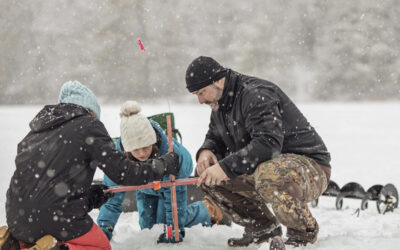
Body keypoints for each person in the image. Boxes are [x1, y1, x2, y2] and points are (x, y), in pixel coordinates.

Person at [1, 81, 179, 250]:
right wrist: (163, 164)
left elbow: (44, 190)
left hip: (18, 219)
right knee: (99, 246)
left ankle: (20, 245)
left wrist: (90, 198)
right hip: (54, 219)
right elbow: (125, 173)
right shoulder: (88, 125)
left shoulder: (35, 133)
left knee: (40, 231)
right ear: (91, 111)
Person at [185, 56, 331, 247]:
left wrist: (226, 167)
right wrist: (206, 151)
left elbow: (269, 144)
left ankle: (302, 233)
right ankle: (261, 227)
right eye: (196, 94)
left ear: (218, 81)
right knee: (207, 176)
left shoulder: (256, 95)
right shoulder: (220, 103)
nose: (200, 100)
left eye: (202, 92)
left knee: (269, 173)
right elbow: (215, 136)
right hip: (265, 166)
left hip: (311, 168)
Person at [97, 101, 223, 243]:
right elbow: (111, 198)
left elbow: (175, 199)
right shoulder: (117, 157)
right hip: (145, 184)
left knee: (165, 223)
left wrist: (174, 229)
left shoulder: (171, 155)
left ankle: (208, 209)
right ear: (126, 149)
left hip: (170, 181)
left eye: (146, 146)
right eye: (135, 149)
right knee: (149, 229)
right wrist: (104, 230)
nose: (142, 153)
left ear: (153, 141)